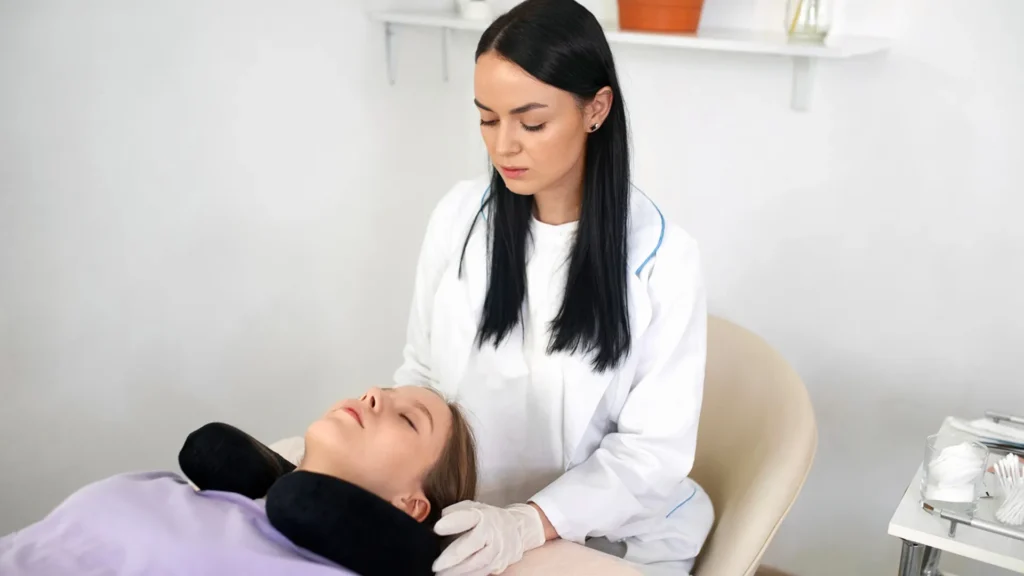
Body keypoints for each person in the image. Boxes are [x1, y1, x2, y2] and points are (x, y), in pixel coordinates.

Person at [394, 0, 714, 574]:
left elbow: (650, 454)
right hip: (466, 512)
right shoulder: (460, 218)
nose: (503, 146)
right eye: (487, 119)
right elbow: (420, 373)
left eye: (531, 122)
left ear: (596, 109)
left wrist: (528, 521)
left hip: (607, 534)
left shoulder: (662, 260)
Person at [0, 386, 478, 576]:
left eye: (408, 419)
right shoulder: (211, 497)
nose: (373, 394)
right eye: (382, 390)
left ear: (411, 505)